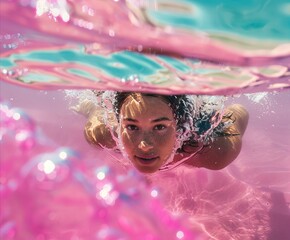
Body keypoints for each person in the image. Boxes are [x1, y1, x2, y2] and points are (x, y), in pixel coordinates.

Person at [83, 92, 249, 173]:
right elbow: (95, 114)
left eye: (160, 127)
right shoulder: (101, 134)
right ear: (118, 125)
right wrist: (91, 110)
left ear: (179, 127)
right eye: (132, 127)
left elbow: (239, 111)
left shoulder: (216, 151)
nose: (145, 146)